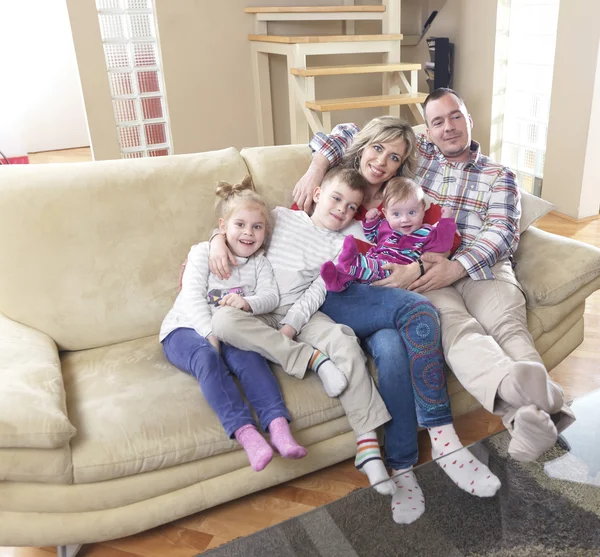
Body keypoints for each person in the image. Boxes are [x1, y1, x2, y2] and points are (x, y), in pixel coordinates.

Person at [295, 87, 575, 466]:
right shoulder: (417, 156)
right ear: (427, 130)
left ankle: (529, 414)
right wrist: (316, 166)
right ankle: (542, 404)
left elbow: (502, 232)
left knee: (507, 329)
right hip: (425, 272)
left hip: (483, 269)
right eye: (437, 121)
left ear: (469, 119)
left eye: (455, 116)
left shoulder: (499, 175)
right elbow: (349, 132)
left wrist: (457, 266)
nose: (448, 128)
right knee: (458, 334)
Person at [209, 164, 500, 525]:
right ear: (317, 193)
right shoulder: (283, 218)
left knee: (393, 347)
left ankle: (403, 466)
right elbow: (243, 223)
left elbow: (409, 242)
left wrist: (422, 264)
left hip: (330, 306)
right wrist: (214, 241)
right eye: (336, 199)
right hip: (289, 307)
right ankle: (441, 440)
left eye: (351, 205)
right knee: (418, 314)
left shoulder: (356, 229)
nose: (343, 210)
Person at [160, 178, 307, 472]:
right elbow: (191, 296)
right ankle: (248, 435)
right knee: (206, 357)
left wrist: (249, 303)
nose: (248, 233)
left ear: (265, 233)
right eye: (240, 224)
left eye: (257, 227)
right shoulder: (203, 252)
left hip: (229, 331)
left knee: (249, 357)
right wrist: (209, 333)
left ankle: (278, 428)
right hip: (185, 328)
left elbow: (270, 296)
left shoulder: (260, 263)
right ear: (222, 226)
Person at [321, 176, 457, 292]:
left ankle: (352, 262)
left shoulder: (427, 232)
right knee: (355, 273)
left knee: (365, 265)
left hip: (397, 269)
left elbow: (443, 245)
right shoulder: (384, 225)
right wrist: (371, 221)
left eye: (412, 212)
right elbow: (371, 235)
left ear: (422, 209)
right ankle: (337, 281)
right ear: (386, 213)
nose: (405, 219)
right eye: (396, 214)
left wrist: (446, 222)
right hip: (374, 261)